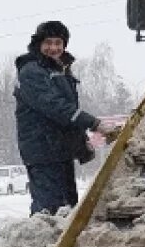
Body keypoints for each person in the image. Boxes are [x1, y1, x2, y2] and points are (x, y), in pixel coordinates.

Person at [14, 21, 117, 216]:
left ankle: (61, 242)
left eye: (58, 43)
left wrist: (81, 142)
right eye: (48, 43)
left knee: (68, 207)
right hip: (42, 150)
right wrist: (94, 124)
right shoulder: (32, 71)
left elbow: (67, 115)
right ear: (39, 44)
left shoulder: (59, 70)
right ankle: (44, 243)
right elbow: (56, 107)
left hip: (60, 150)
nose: (53, 48)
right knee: (49, 208)